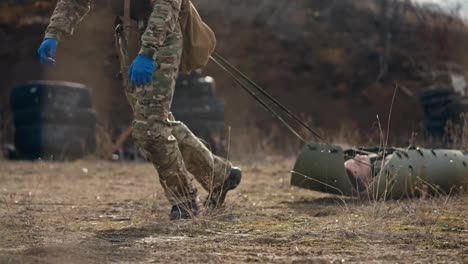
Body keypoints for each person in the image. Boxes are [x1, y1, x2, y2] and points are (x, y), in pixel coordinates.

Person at [37, 0, 242, 220]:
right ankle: (220, 176)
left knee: (150, 128)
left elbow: (166, 5)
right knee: (157, 123)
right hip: (128, 36)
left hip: (161, 36)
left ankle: (185, 203)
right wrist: (54, 32)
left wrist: (148, 51)